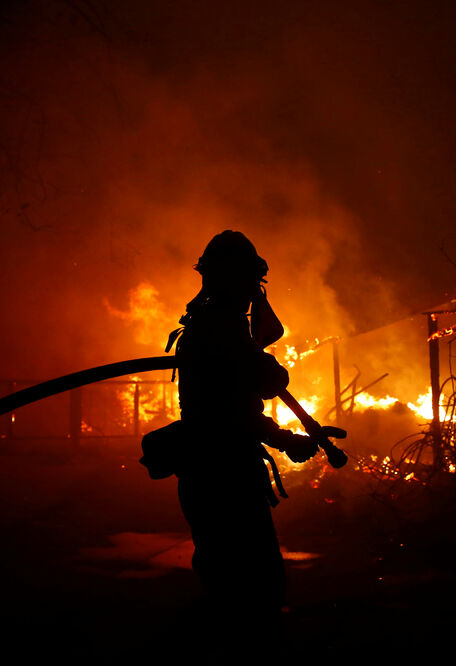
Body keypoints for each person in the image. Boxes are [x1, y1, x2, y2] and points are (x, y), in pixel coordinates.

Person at [168, 230, 319, 640]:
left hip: (207, 474)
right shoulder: (222, 333)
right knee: (253, 593)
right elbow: (246, 404)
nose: (256, 291)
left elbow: (237, 408)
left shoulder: (212, 327)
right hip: (226, 478)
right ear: (239, 281)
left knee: (229, 589)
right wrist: (288, 441)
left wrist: (285, 439)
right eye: (253, 282)